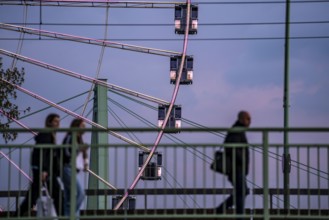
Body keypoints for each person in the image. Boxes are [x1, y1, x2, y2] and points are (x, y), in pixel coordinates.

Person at [19, 113, 62, 216]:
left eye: (58, 122)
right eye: (56, 121)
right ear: (50, 122)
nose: (58, 124)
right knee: (56, 196)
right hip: (43, 171)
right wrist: (43, 170)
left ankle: (16, 216)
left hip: (46, 170)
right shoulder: (46, 134)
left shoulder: (50, 135)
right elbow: (41, 152)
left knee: (33, 198)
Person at [216, 110, 251, 216]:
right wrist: (242, 160)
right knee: (242, 191)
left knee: (242, 191)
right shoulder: (237, 131)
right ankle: (237, 214)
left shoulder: (237, 130)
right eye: (248, 119)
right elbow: (232, 148)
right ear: (242, 119)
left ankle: (221, 209)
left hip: (237, 167)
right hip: (236, 168)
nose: (249, 122)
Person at [61, 118, 88, 217]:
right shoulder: (70, 137)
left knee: (70, 198)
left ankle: (70, 216)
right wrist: (79, 149)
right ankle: (70, 216)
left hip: (72, 169)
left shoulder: (78, 139)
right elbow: (67, 152)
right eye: (83, 126)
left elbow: (82, 155)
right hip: (67, 168)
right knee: (80, 194)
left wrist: (85, 163)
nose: (85, 128)